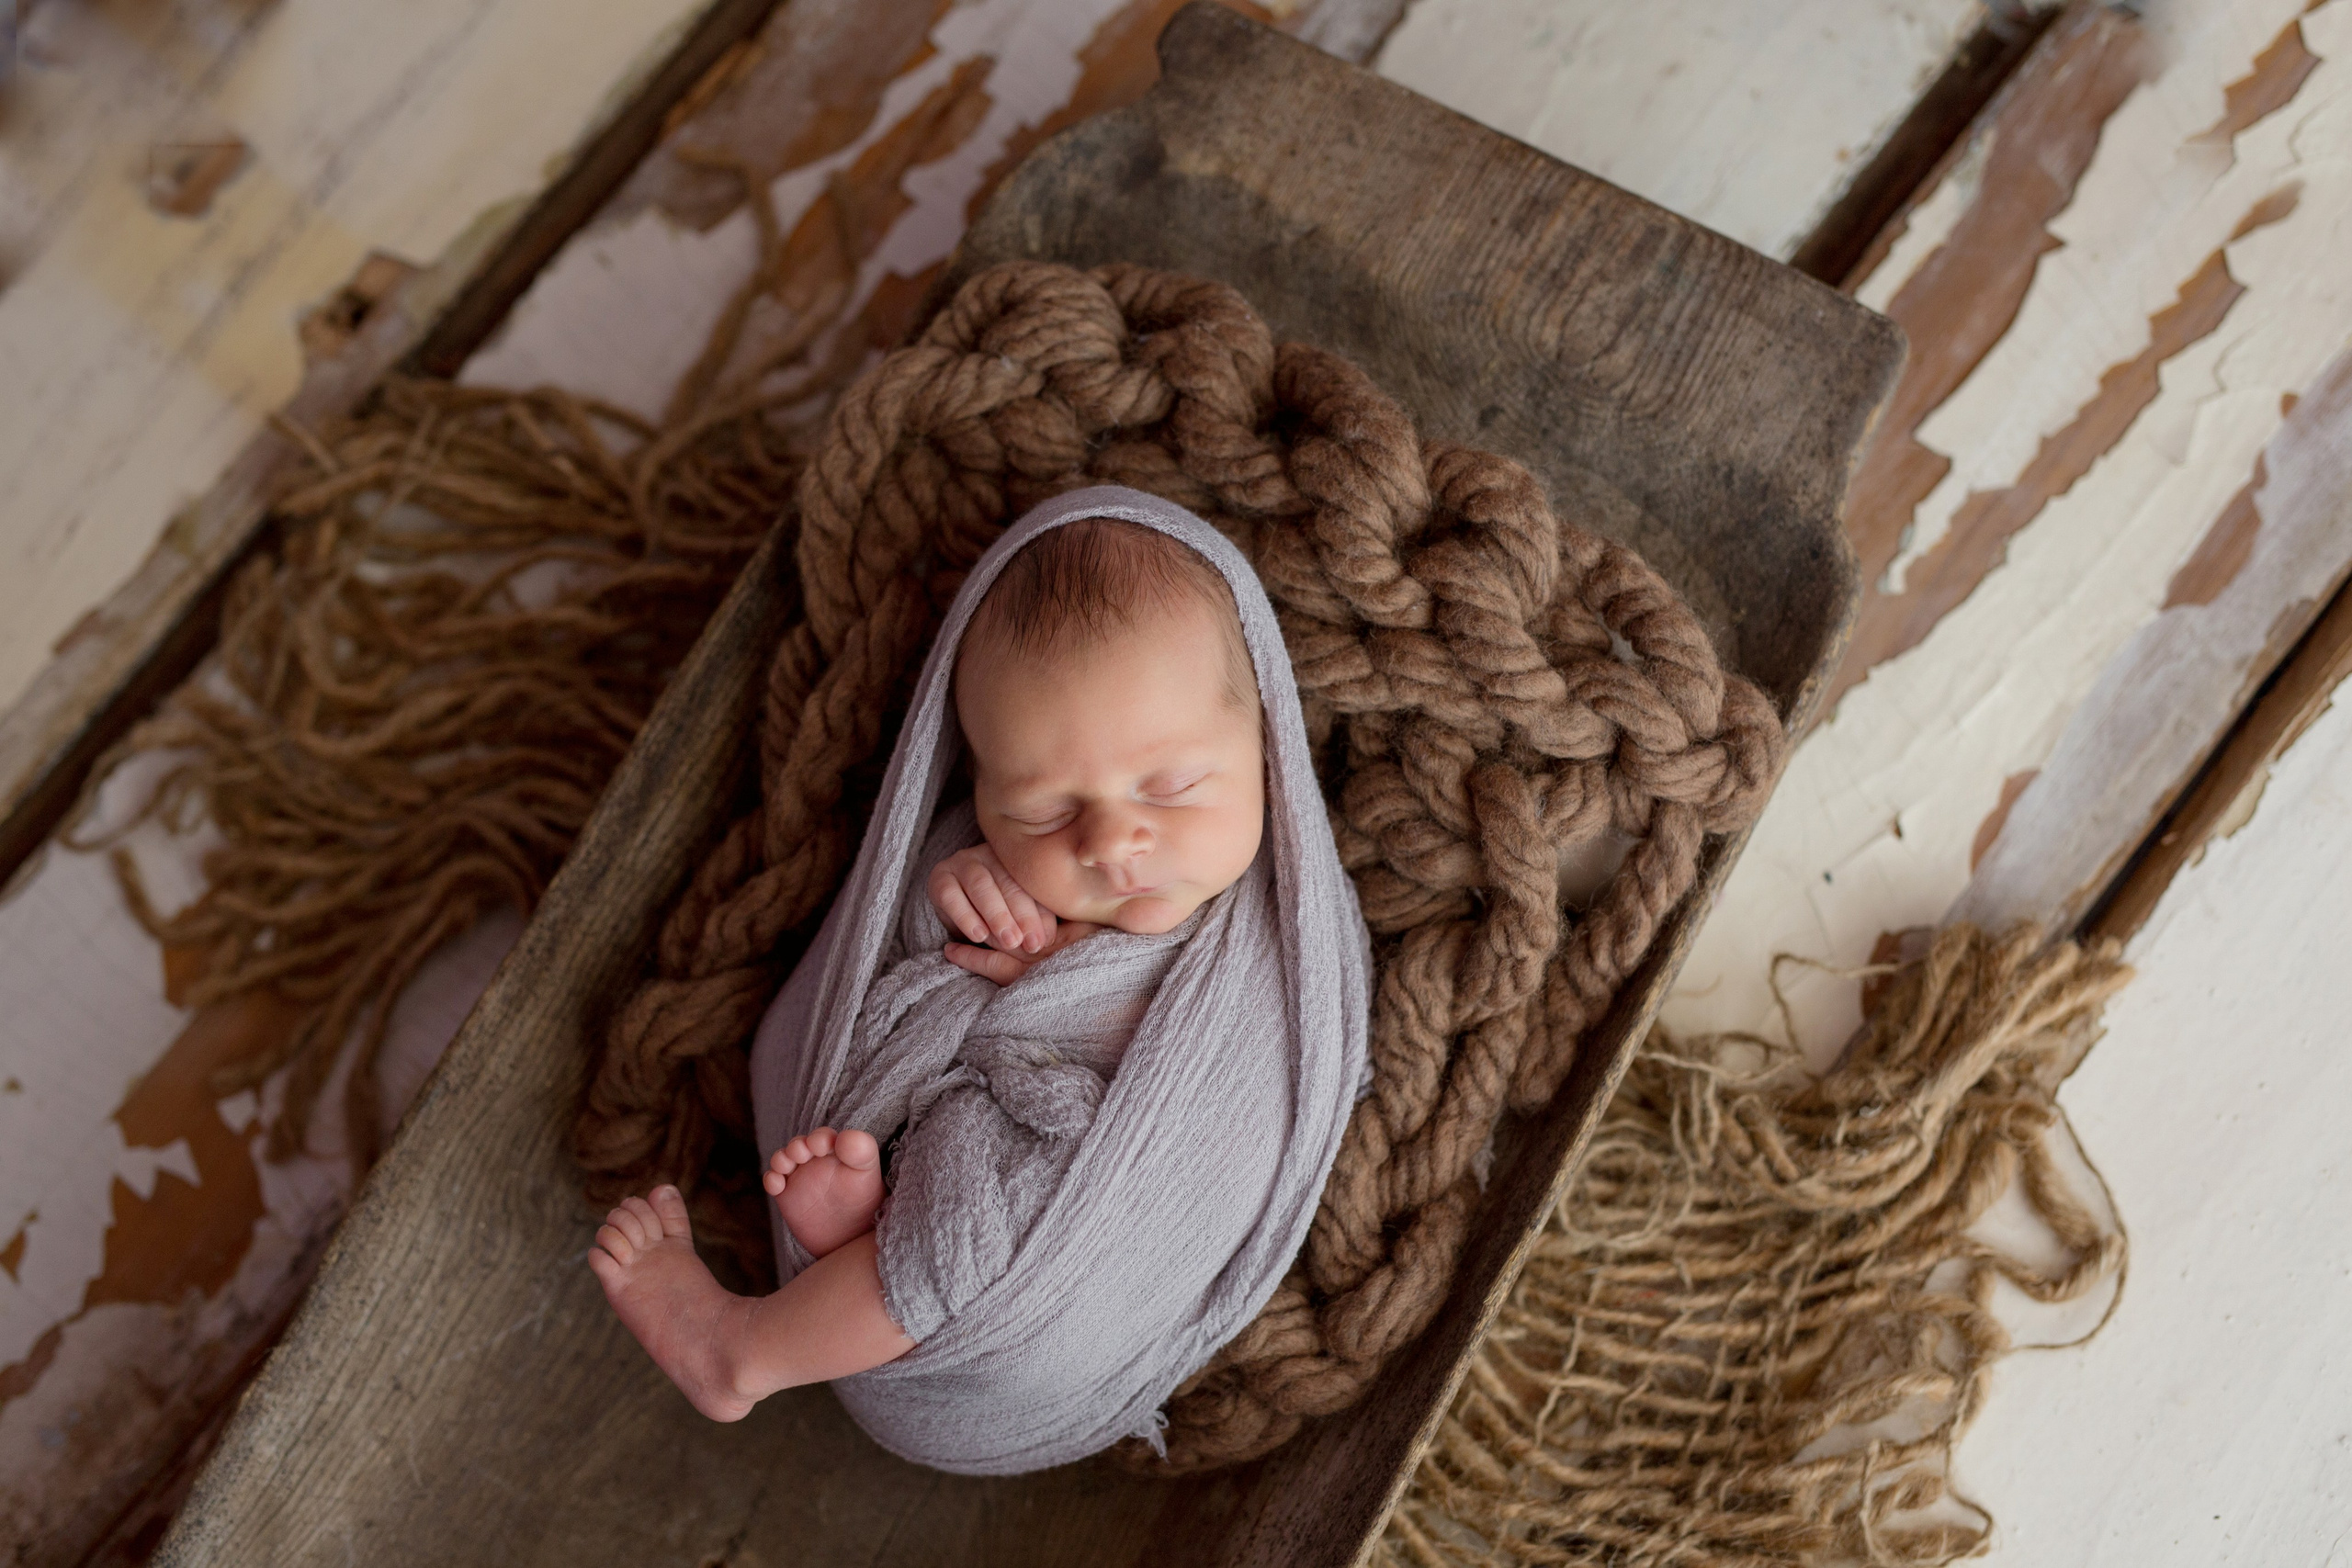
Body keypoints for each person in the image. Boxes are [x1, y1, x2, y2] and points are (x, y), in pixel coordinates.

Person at [588, 512, 1279, 1427]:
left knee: (986, 1228)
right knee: (958, 1171)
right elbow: (906, 977)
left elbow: (1256, 1087)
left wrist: (1075, 987)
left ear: (1267, 743)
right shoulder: (991, 865)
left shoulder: (1275, 938)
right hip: (978, 1126)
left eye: (1171, 787)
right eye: (1042, 813)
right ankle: (874, 1238)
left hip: (1105, 1247)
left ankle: (747, 1349)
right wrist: (948, 888)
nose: (1111, 843)